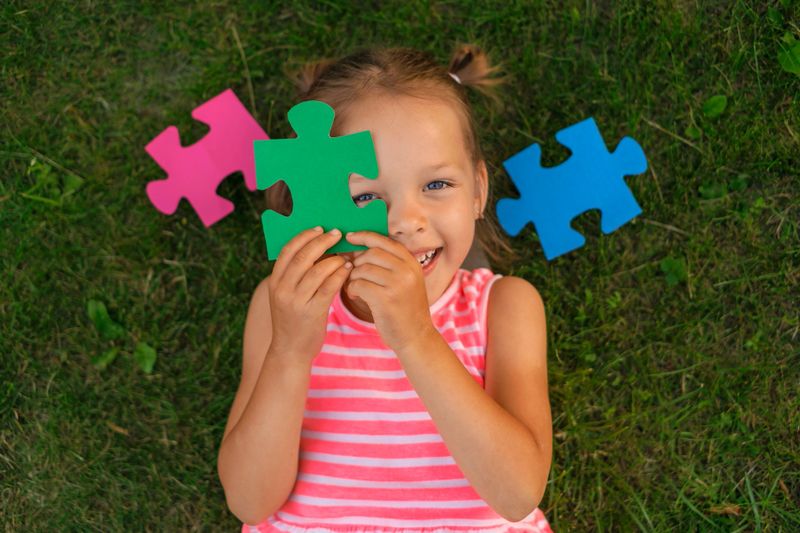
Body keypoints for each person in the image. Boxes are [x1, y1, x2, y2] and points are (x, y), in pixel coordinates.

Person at [218, 44, 553, 532]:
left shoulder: (504, 306)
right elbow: (250, 501)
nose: (405, 222)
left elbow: (518, 494)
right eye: (366, 197)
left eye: (436, 185)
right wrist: (289, 352)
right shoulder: (285, 306)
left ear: (479, 190)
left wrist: (415, 337)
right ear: (316, 204)